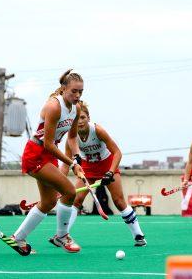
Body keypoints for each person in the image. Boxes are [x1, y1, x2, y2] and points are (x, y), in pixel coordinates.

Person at [48, 101, 146, 247]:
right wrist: (59, 185)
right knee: (76, 200)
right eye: (77, 118)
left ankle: (139, 236)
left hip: (107, 165)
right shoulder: (71, 137)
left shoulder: (98, 130)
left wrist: (111, 172)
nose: (80, 122)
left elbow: (117, 152)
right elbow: (66, 164)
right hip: (87, 168)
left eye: (83, 118)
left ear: (88, 118)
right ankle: (62, 235)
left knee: (119, 201)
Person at [11, 69, 85, 253]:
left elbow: (73, 138)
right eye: (74, 91)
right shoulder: (54, 107)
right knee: (69, 191)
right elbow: (48, 144)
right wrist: (72, 164)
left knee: (49, 201)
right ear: (63, 89)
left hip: (48, 155)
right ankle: (61, 237)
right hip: (36, 153)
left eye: (80, 92)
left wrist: (77, 158)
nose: (77, 95)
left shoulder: (76, 109)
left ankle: (18, 238)